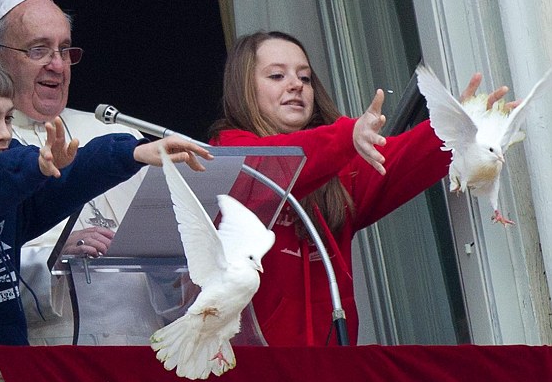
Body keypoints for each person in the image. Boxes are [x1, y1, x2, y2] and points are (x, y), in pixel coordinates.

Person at [208, 31, 518, 346]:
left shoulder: (338, 169)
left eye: (305, 77)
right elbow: (274, 163)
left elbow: (402, 158)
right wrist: (346, 136)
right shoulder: (227, 155)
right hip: (251, 368)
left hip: (330, 367)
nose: (296, 84)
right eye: (277, 75)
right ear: (244, 89)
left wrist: (464, 130)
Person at [0, 43, 212, 347]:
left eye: (8, 118)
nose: (4, 133)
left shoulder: (14, 182)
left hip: (4, 362)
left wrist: (133, 153)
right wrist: (36, 166)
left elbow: (71, 177)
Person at [0, 0, 167, 345]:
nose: (58, 65)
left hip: (148, 347)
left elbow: (171, 262)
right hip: (50, 353)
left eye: (65, 50)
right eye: (39, 50)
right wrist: (54, 258)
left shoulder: (116, 133)